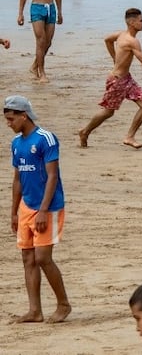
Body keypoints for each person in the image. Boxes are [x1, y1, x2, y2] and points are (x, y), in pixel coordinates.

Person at [6, 95, 71, 324]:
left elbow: (52, 176)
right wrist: (14, 212)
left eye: (12, 119)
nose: (8, 123)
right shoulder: (16, 144)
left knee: (43, 257)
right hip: (26, 206)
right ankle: (35, 311)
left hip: (49, 206)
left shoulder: (46, 139)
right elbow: (17, 180)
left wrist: (43, 210)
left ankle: (63, 304)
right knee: (28, 258)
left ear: (24, 116)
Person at [77, 8, 142, 150]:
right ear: (132, 22)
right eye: (141, 20)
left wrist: (115, 57)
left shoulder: (121, 35)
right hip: (117, 81)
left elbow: (107, 40)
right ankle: (85, 131)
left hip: (127, 79)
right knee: (108, 111)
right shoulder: (132, 41)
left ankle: (129, 137)